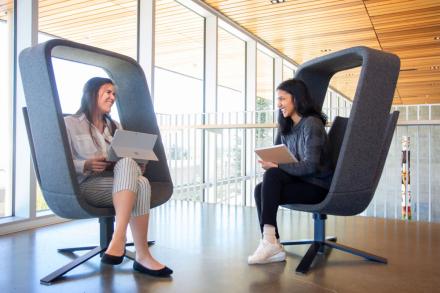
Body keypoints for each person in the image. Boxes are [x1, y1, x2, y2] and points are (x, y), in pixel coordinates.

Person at [64, 77, 172, 277]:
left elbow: (126, 159)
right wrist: (85, 164)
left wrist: (139, 163)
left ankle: (120, 239)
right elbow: (60, 163)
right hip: (87, 184)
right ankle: (139, 253)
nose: (112, 97)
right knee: (141, 183)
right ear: (92, 94)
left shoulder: (115, 125)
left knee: (138, 175)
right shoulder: (70, 124)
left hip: (117, 181)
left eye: (114, 94)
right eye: (108, 92)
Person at [248, 78, 333, 265]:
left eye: (282, 99)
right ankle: (272, 242)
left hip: (317, 186)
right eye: (277, 100)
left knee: (272, 175)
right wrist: (275, 163)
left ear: (296, 98)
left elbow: (310, 165)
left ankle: (269, 242)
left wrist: (277, 167)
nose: (278, 104)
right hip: (302, 182)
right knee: (259, 189)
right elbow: (290, 162)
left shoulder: (312, 123)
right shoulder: (287, 128)